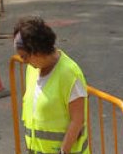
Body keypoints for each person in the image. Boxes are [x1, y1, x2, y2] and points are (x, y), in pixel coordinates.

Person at [15, 17, 88, 154]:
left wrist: (63, 151)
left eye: (25, 56)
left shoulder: (69, 73)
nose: (23, 62)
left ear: (38, 51)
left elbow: (77, 120)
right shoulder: (33, 69)